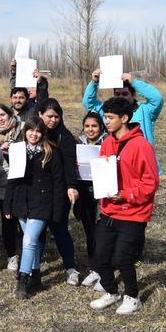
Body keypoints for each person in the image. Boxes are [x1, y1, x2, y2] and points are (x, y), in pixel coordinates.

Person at [89, 97, 159, 315]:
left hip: (133, 213)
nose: (106, 121)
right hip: (109, 210)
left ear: (125, 118)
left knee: (122, 258)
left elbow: (151, 183)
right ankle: (111, 292)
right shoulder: (107, 143)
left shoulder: (142, 146)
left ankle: (132, 296)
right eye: (105, 117)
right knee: (100, 256)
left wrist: (126, 195)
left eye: (110, 117)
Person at [4, 117, 66, 299]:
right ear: (25, 132)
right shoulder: (18, 150)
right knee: (33, 241)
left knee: (29, 240)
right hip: (21, 202)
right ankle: (36, 275)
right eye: (31, 130)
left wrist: (57, 209)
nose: (34, 134)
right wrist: (8, 205)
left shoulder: (51, 152)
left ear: (43, 133)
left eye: (38, 131)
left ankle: (23, 278)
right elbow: (12, 180)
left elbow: (58, 182)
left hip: (42, 203)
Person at [82, 70, 164, 172]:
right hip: (117, 165)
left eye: (125, 93)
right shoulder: (109, 111)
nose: (121, 97)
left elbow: (157, 99)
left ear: (133, 95)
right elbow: (88, 103)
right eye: (117, 94)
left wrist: (134, 82)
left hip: (142, 163)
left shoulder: (145, 110)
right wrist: (94, 82)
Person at [37, 98, 80, 285]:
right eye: (49, 116)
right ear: (40, 115)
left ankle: (71, 268)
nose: (53, 120)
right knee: (37, 231)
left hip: (58, 190)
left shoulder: (65, 137)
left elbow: (70, 164)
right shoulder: (34, 133)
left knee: (60, 228)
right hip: (37, 190)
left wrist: (71, 186)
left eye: (56, 116)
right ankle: (33, 268)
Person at [0, 104, 24, 271]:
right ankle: (11, 255)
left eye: (3, 115)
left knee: (25, 219)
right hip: (3, 183)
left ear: (10, 115)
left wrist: (12, 150)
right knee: (7, 220)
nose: (0, 119)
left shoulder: (23, 129)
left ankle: (29, 252)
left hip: (24, 182)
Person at [77, 112, 107, 289]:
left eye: (94, 126)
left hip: (103, 193)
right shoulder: (78, 144)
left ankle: (105, 271)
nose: (90, 130)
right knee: (90, 232)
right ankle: (94, 268)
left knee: (103, 234)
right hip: (84, 193)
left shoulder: (108, 143)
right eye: (87, 126)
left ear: (101, 127)